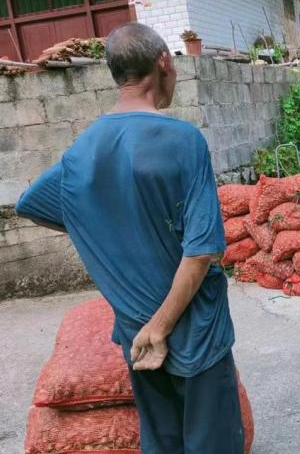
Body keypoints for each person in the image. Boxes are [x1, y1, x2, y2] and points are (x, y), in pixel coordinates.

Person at [15, 23, 244, 454]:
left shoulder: (83, 149)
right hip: (194, 332)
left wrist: (100, 226)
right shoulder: (183, 140)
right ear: (163, 63)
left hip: (136, 334)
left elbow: (31, 202)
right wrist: (162, 327)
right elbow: (201, 251)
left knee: (161, 442)